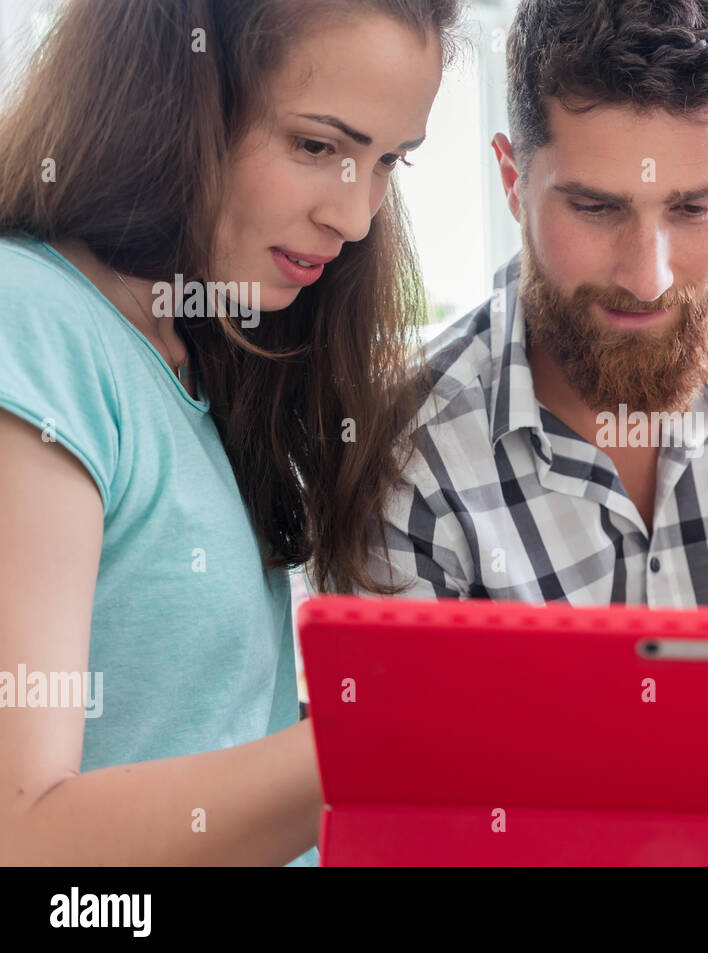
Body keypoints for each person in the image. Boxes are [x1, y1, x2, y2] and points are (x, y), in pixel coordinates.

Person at [0, 0, 461, 865]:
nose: (356, 219)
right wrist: (390, 727)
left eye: (388, 161)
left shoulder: (201, 342)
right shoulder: (29, 324)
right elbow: (24, 835)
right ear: (169, 98)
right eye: (317, 146)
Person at [369, 0, 708, 610]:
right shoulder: (403, 452)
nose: (648, 279)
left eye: (694, 209)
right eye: (595, 208)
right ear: (514, 182)